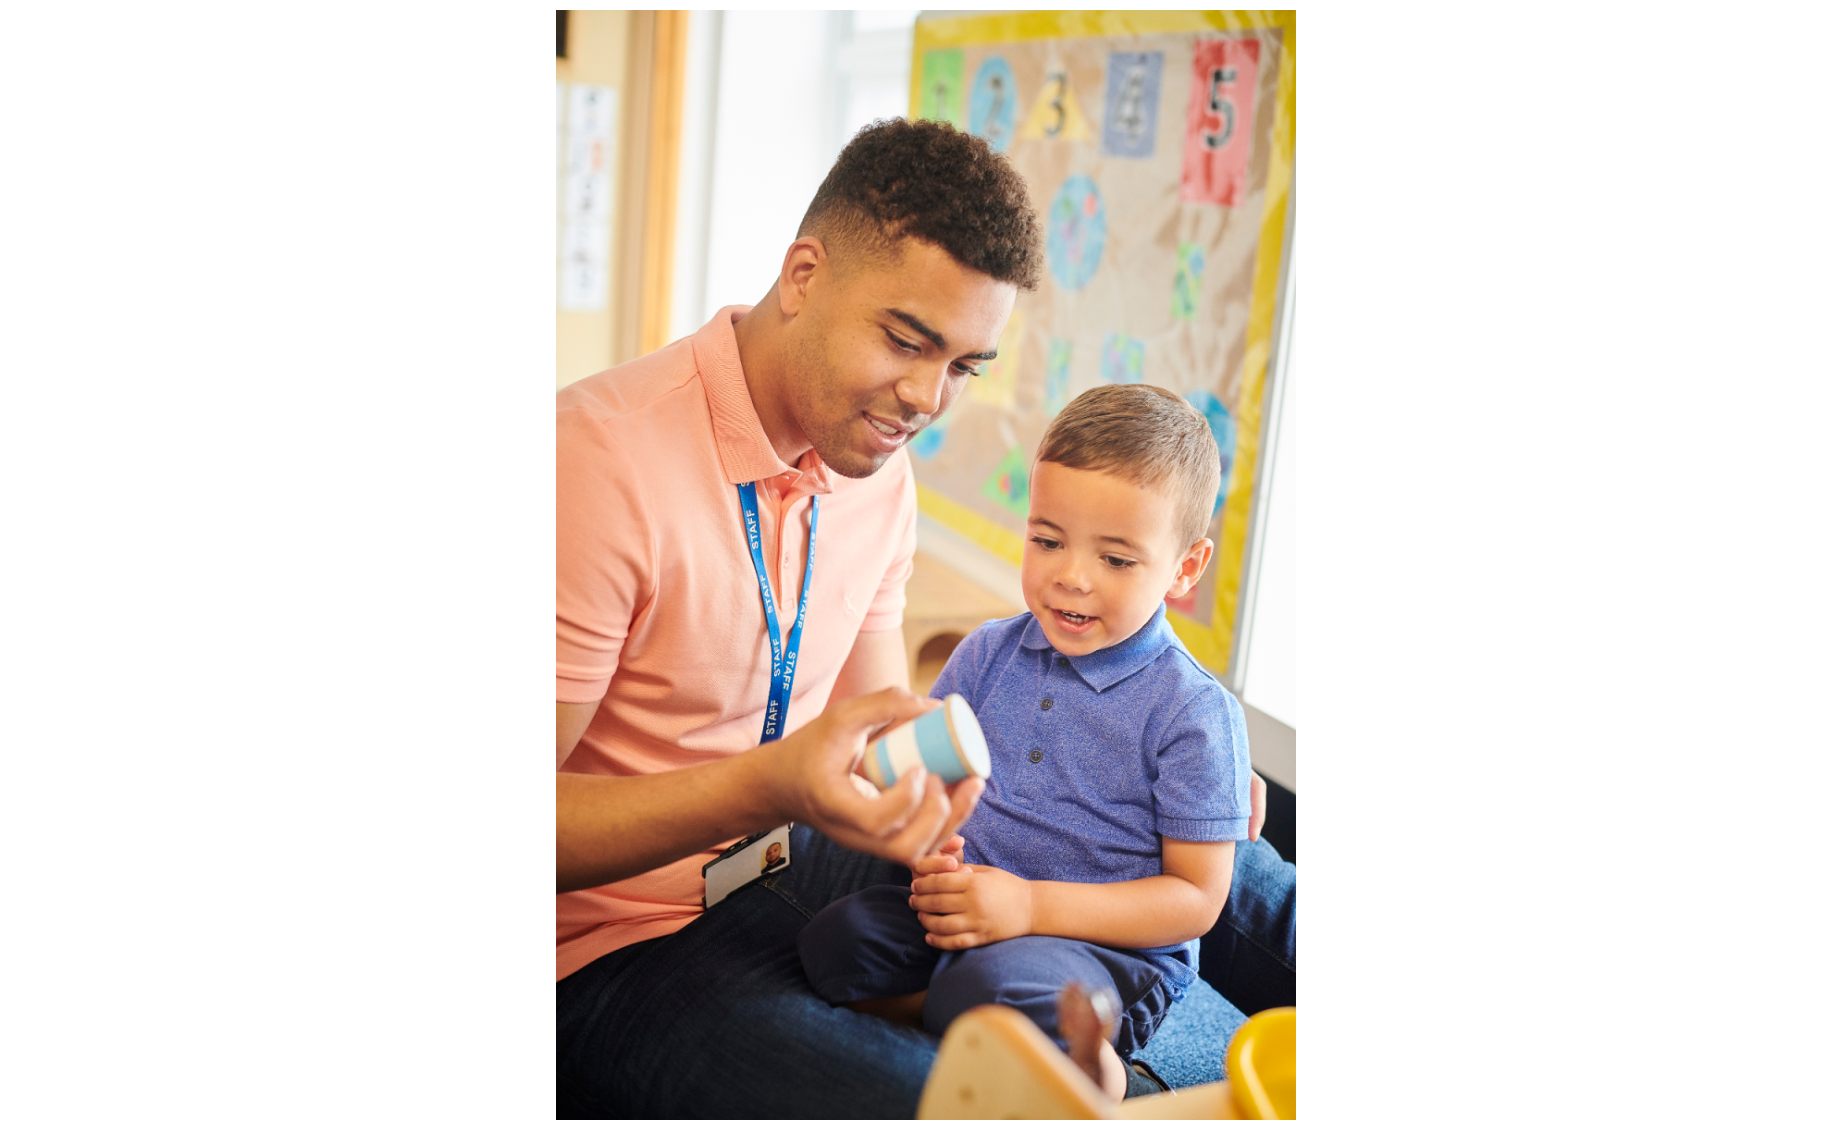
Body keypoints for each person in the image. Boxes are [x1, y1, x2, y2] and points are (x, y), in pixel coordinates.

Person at [555, 119, 1288, 1118]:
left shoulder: (873, 465)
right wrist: (771, 784)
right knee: (983, 1107)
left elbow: (880, 735)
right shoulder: (592, 465)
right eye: (906, 341)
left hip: (795, 840)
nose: (924, 398)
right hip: (620, 941)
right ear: (803, 276)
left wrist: (1161, 747)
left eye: (963, 365)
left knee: (1210, 844)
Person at [797, 385, 1248, 1100]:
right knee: (836, 941)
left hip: (1103, 952)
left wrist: (1030, 908)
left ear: (1184, 568)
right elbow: (924, 774)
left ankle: (1104, 1079)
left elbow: (1195, 898)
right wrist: (928, 842)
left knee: (992, 988)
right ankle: (962, 1020)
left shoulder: (1193, 711)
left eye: (1116, 560)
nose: (1071, 575)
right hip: (971, 902)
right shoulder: (988, 652)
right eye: (1047, 541)